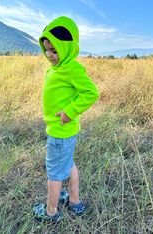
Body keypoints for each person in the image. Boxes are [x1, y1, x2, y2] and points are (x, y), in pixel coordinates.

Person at [33, 16, 99, 223]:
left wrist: (69, 111)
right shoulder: (58, 67)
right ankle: (74, 200)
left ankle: (51, 212)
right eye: (47, 49)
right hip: (64, 131)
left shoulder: (71, 68)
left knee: (54, 173)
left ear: (68, 47)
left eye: (55, 50)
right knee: (69, 164)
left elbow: (91, 93)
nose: (50, 55)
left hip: (61, 131)